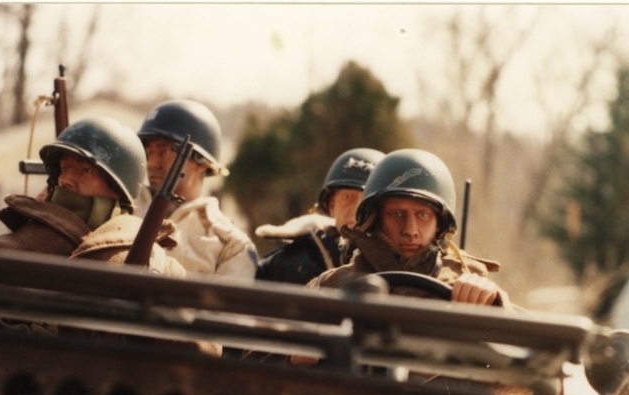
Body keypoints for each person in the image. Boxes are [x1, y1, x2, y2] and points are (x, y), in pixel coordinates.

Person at [307, 148, 509, 307]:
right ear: (374, 219)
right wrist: (300, 353)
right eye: (396, 214)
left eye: (423, 215)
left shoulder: (467, 280)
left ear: (440, 224)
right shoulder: (332, 284)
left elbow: (518, 347)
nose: (410, 230)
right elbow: (280, 345)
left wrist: (492, 300)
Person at [0, 116, 184, 277]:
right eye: (64, 168)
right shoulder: (10, 249)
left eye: (85, 171)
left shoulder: (158, 264)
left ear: (116, 187)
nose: (65, 180)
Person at [137, 99, 258, 281]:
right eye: (149, 153)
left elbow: (223, 308)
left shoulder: (231, 244)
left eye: (163, 152)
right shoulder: (121, 208)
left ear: (201, 162)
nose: (152, 163)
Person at [255, 147, 385, 285]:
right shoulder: (283, 265)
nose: (355, 210)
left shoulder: (396, 265)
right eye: (347, 197)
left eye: (366, 201)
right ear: (331, 205)